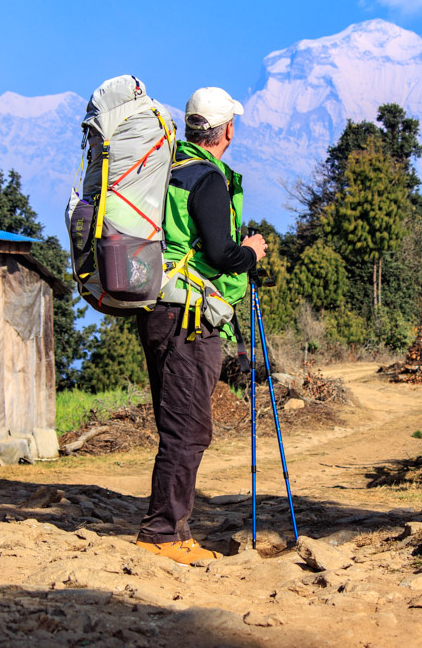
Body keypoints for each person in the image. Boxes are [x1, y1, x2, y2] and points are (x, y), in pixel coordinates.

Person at [134, 87, 267, 565]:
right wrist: (252, 249)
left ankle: (171, 530)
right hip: (188, 321)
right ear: (228, 130)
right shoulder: (207, 179)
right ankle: (162, 534)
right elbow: (220, 254)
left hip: (159, 311)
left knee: (179, 426)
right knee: (188, 429)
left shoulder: (169, 171)